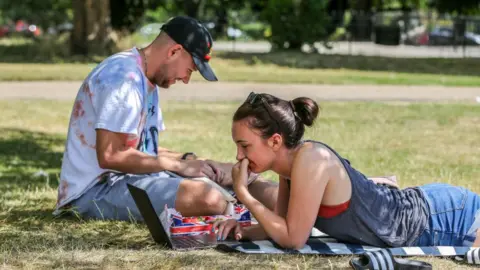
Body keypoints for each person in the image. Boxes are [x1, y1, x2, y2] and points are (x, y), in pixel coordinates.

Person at [54, 16, 278, 221]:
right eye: (190, 69)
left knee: (242, 177)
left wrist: (191, 160)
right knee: (210, 198)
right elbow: (111, 156)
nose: (186, 79)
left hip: (128, 178)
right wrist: (179, 166)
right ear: (174, 51)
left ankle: (299, 214)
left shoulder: (146, 79)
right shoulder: (123, 79)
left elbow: (141, 150)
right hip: (94, 191)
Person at [212, 92, 480, 249]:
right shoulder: (291, 167)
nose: (238, 155)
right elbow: (282, 227)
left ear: (275, 141)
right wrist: (243, 230)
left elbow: (293, 239)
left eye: (244, 145)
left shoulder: (311, 160)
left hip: (444, 219)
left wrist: (244, 195)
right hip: (428, 212)